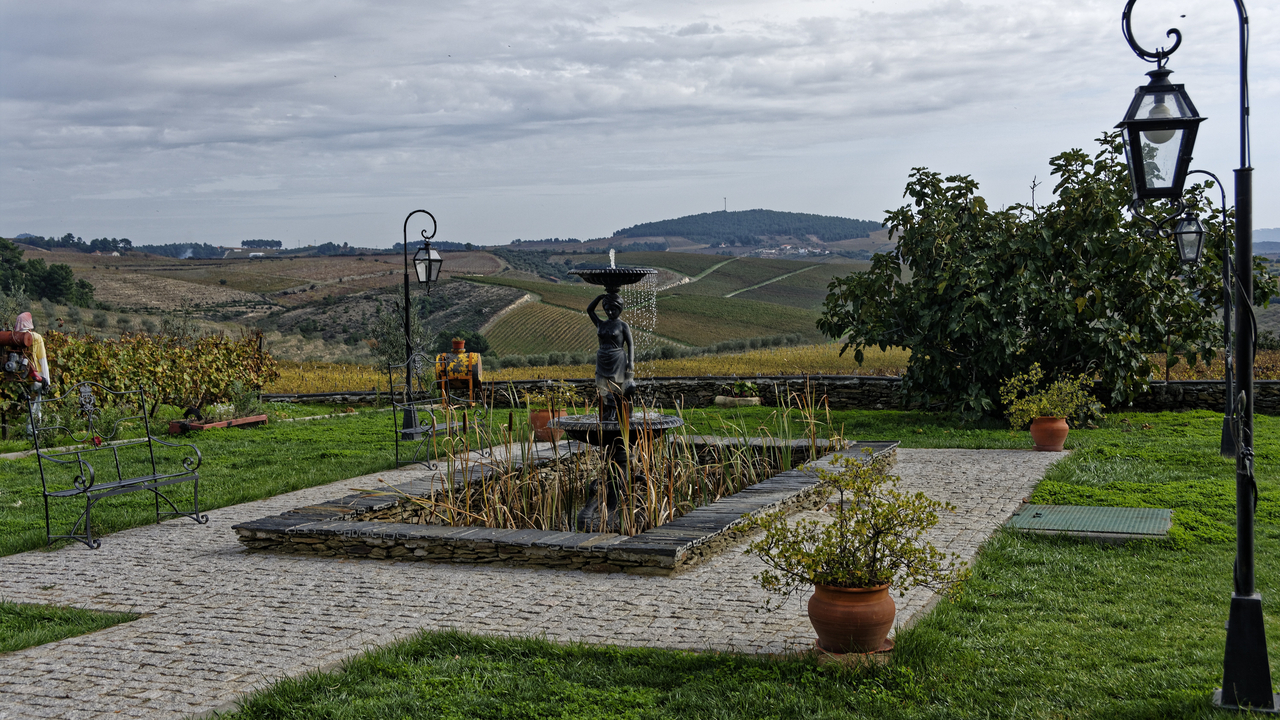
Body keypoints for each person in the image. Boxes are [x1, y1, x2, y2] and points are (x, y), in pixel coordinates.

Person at [586, 293, 634, 421]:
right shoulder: (601, 324)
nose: (610, 312)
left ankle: (613, 412)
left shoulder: (623, 325)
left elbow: (630, 344)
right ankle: (611, 410)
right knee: (601, 383)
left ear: (619, 309)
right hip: (602, 358)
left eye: (613, 309)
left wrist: (631, 361)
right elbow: (589, 310)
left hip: (617, 358)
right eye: (607, 309)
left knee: (615, 385)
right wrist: (598, 298)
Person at [15, 312, 49, 391]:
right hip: (36, 378)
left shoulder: (14, 337)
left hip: (18, 378)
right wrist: (47, 381)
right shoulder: (36, 337)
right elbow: (42, 360)